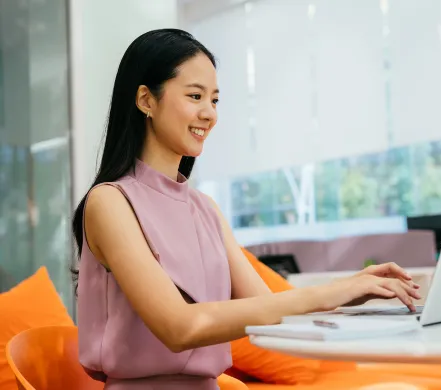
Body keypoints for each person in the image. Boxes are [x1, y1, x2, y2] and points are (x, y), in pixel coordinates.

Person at [72, 29, 421, 390]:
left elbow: (268, 310)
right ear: (146, 99)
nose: (209, 114)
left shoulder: (204, 209)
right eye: (195, 96)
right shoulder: (110, 202)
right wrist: (330, 292)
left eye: (215, 100)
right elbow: (180, 327)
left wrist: (352, 290)